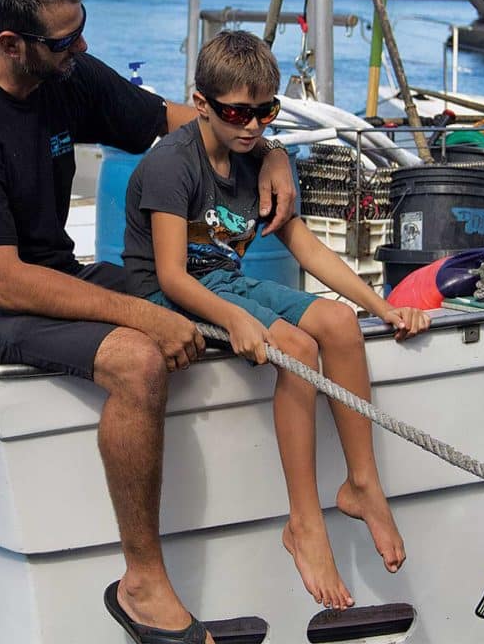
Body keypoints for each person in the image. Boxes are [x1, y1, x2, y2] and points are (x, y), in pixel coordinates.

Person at [0, 0, 297, 644]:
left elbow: (180, 121)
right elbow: (1, 282)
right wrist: (142, 314)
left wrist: (274, 153)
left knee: (216, 312)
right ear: (9, 43)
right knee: (139, 358)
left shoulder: (66, 74)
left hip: (52, 272)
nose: (79, 47)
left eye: (81, 30)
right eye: (62, 40)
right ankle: (141, 583)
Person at [122, 30, 431, 612]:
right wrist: (236, 320)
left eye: (266, 112)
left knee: (338, 324)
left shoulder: (256, 159)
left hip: (225, 282)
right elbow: (170, 276)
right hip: (172, 298)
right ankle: (304, 522)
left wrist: (381, 306)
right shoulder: (172, 166)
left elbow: (309, 250)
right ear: (203, 103)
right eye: (238, 112)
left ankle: (362, 485)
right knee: (295, 346)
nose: (253, 126)